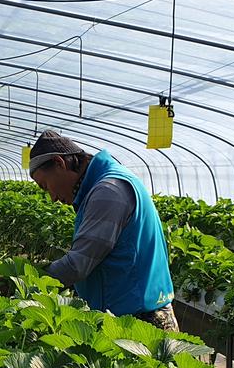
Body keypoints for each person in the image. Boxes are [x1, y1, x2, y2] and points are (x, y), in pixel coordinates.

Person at [28, 130, 178, 332]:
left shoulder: (108, 191)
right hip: (129, 315)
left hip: (141, 323)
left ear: (59, 163)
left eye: (45, 186)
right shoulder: (102, 186)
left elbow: (77, 265)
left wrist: (24, 279)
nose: (52, 197)